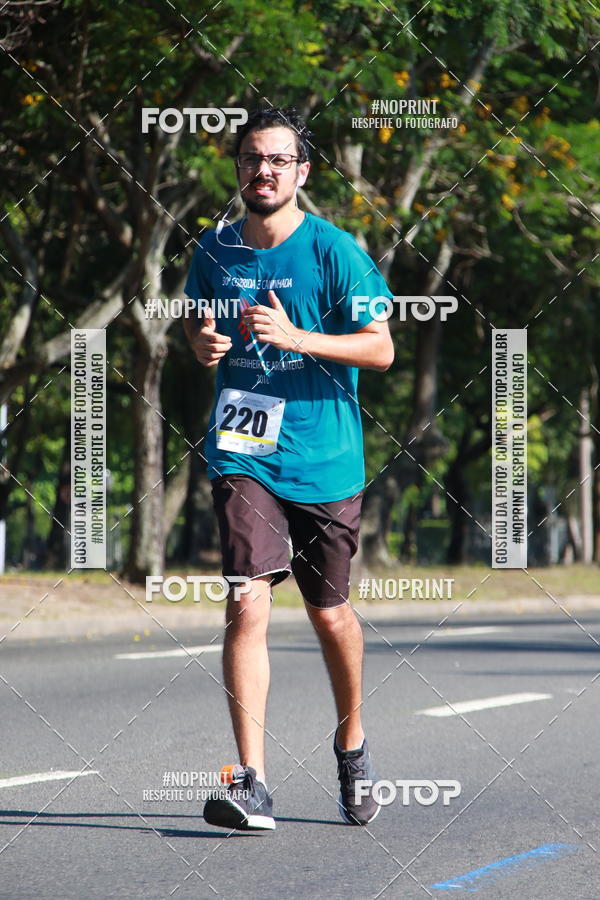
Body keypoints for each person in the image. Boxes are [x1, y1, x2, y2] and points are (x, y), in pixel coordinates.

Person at [183, 107, 394, 831]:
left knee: (329, 613)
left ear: (302, 172)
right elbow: (197, 319)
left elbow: (381, 349)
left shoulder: (337, 252)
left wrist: (299, 336)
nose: (262, 171)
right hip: (244, 453)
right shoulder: (213, 253)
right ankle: (252, 782)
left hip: (327, 460)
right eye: (250, 159)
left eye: (277, 160)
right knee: (246, 598)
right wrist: (204, 343)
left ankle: (352, 743)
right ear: (237, 169)